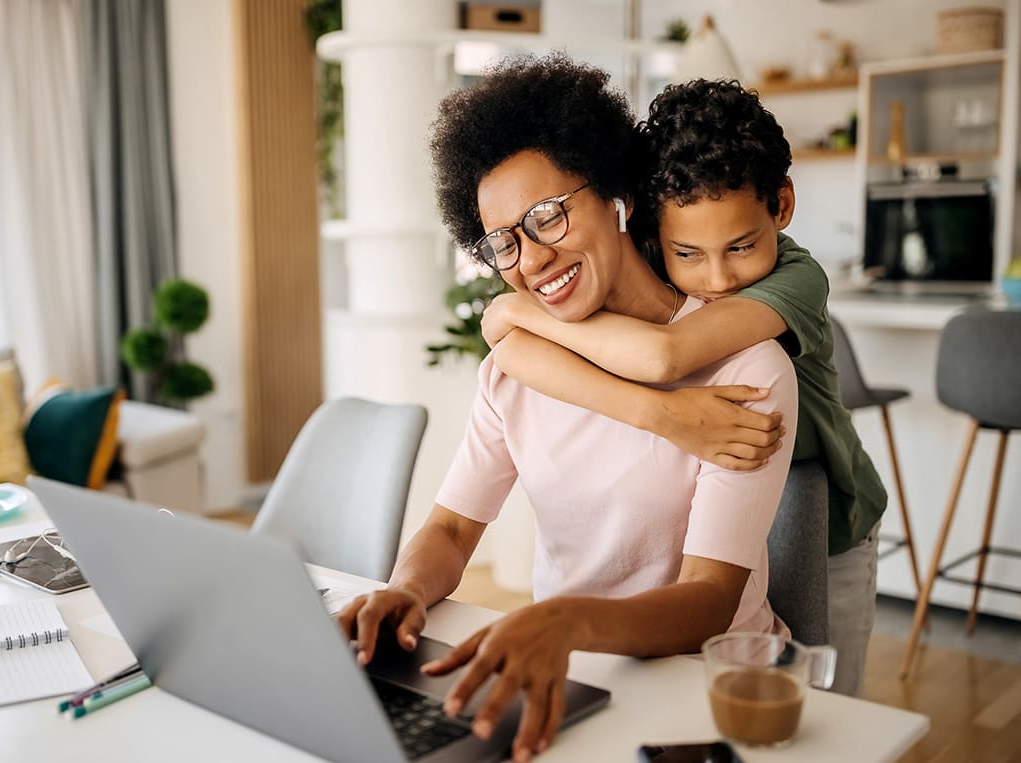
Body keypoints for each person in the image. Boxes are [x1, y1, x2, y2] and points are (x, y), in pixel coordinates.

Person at [337, 54, 798, 763]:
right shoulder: (516, 368)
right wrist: (406, 590)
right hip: (572, 667)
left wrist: (562, 619)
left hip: (711, 692)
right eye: (505, 241)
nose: (532, 259)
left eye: (548, 216)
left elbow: (709, 600)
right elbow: (455, 528)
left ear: (617, 194)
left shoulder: (747, 365)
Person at [480, 78, 886, 697]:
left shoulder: (797, 278)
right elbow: (516, 357)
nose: (718, 278)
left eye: (742, 246)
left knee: (828, 706)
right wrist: (506, 323)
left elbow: (666, 355)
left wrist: (517, 314)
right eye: (688, 253)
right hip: (712, 490)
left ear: (781, 206)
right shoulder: (655, 254)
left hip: (826, 518)